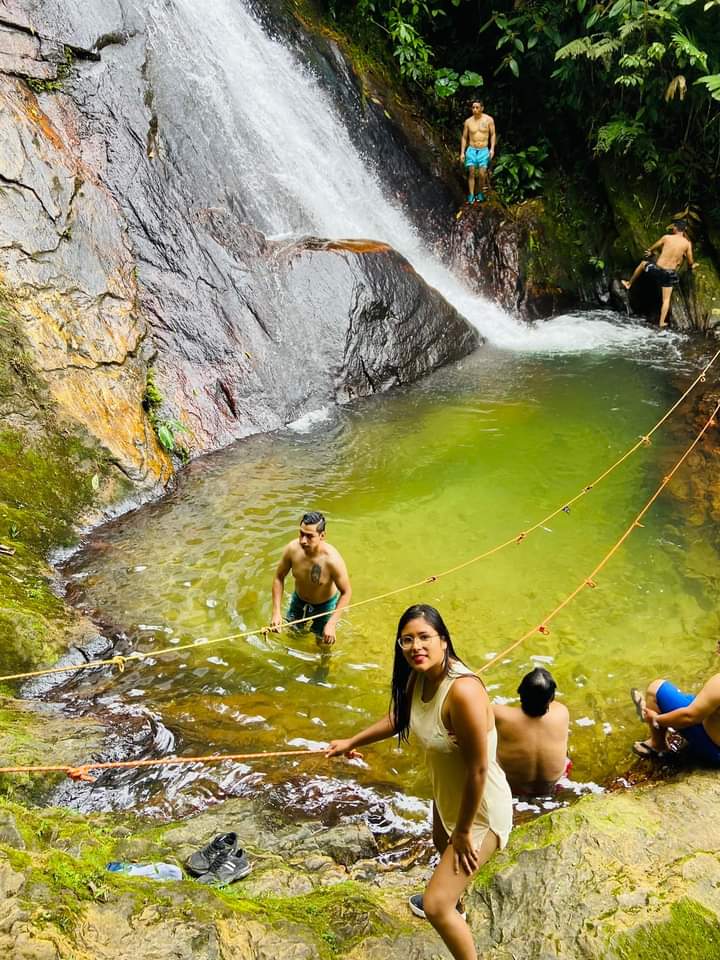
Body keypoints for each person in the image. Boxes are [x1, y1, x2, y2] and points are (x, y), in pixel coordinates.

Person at [327, 604, 512, 960]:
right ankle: (456, 902)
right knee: (439, 845)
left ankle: (450, 910)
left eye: (425, 637)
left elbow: (478, 770)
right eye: (407, 640)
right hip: (448, 797)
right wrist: (352, 742)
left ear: (444, 640)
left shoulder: (463, 693)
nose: (416, 646)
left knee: (434, 905)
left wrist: (462, 834)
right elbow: (399, 717)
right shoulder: (419, 675)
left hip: (482, 811)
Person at [270, 511, 351, 646]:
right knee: (293, 634)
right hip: (298, 601)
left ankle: (323, 665)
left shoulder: (332, 560)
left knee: (322, 643)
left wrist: (332, 623)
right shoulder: (292, 549)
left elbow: (346, 592)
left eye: (309, 536)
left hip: (325, 606)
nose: (303, 540)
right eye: (301, 533)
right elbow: (279, 577)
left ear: (322, 536)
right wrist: (276, 612)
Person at [631, 650, 720, 764]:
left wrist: (655, 719)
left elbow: (689, 717)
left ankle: (657, 745)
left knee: (656, 688)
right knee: (698, 700)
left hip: (714, 751)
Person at [493, 667, 570, 796]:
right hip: (557, 785)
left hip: (512, 788)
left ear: (519, 692)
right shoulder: (561, 712)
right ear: (551, 699)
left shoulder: (498, 714)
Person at [621, 220, 698, 328]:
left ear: (675, 228)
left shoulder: (666, 238)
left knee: (643, 264)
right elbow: (690, 261)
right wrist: (692, 266)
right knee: (666, 300)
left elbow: (654, 246)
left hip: (657, 271)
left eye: (673, 227)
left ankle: (629, 283)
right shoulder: (687, 244)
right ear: (684, 230)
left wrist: (650, 252)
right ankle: (661, 322)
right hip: (669, 275)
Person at [460, 100, 496, 205]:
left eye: (477, 107)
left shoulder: (489, 120)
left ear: (482, 108)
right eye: (473, 107)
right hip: (471, 149)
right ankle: (471, 194)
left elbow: (493, 134)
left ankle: (480, 192)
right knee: (471, 172)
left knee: (482, 173)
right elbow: (464, 137)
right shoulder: (468, 122)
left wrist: (492, 149)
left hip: (483, 150)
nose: (475, 110)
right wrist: (462, 152)